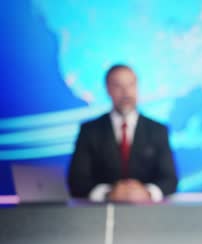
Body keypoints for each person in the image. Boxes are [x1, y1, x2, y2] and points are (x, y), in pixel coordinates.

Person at [68, 64, 178, 203]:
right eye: (118, 86)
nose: (126, 92)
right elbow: (77, 181)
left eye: (131, 85)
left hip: (148, 214)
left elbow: (170, 179)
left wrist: (146, 193)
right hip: (100, 214)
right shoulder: (90, 130)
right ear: (108, 89)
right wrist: (110, 193)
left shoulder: (158, 130)